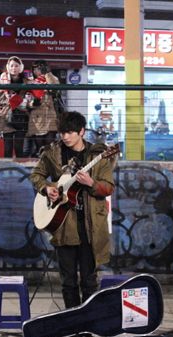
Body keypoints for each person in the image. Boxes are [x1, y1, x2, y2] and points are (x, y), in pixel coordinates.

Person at [30, 111, 116, 309]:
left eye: (70, 132)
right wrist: (47, 188)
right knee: (68, 282)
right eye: (62, 133)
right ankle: (72, 323)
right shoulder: (52, 153)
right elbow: (36, 175)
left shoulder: (98, 155)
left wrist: (91, 183)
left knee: (89, 281)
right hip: (63, 227)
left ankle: (88, 322)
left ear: (82, 131)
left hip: (90, 228)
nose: (65, 137)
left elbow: (108, 188)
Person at [0, 56, 31, 158]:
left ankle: (20, 171)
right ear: (8, 67)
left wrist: (28, 102)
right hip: (6, 116)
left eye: (16, 66)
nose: (14, 68)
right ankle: (8, 171)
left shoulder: (26, 82)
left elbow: (33, 96)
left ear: (21, 67)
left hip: (21, 117)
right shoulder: (3, 80)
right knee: (8, 147)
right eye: (11, 66)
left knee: (19, 147)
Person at [26, 60, 60, 157]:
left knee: (50, 145)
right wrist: (33, 103)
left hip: (50, 115)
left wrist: (47, 74)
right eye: (36, 68)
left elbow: (55, 87)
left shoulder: (52, 78)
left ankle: (50, 166)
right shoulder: (30, 81)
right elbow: (26, 99)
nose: (38, 70)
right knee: (39, 146)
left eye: (41, 68)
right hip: (37, 116)